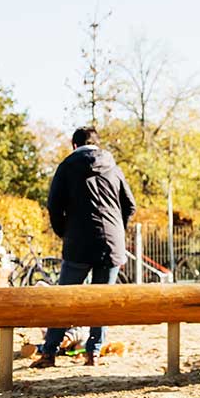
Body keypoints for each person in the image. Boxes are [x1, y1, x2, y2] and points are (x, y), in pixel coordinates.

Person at [41, 126, 135, 368]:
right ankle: (92, 353)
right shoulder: (113, 167)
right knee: (101, 301)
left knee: (64, 299)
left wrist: (65, 232)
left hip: (79, 243)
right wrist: (117, 231)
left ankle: (49, 352)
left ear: (74, 145)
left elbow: (53, 205)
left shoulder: (67, 167)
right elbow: (130, 205)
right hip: (112, 244)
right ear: (97, 143)